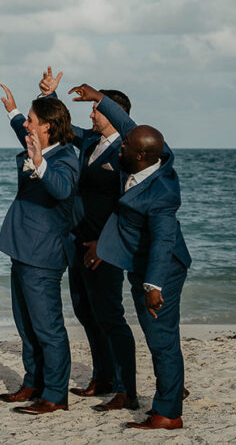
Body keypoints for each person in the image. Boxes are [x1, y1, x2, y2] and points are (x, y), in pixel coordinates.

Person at [70, 84, 192, 430]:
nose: (119, 146)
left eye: (124, 146)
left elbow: (163, 242)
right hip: (141, 264)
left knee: (162, 341)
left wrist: (154, 285)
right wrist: (99, 99)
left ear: (139, 155)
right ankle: (171, 394)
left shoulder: (162, 194)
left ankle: (168, 413)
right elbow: (128, 126)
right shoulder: (152, 155)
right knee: (162, 340)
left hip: (162, 270)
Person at [38, 68, 138, 411]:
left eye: (96, 110)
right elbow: (65, 130)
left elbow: (124, 206)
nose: (91, 114)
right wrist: (50, 96)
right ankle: (104, 376)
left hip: (106, 246)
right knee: (86, 311)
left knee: (111, 315)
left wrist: (105, 245)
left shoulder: (127, 151)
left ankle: (126, 389)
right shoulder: (91, 143)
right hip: (78, 242)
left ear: (113, 113)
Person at [0, 84, 79, 415]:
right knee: (27, 325)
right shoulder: (37, 143)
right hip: (21, 249)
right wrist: (14, 111)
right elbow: (25, 131)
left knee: (48, 328)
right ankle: (34, 382)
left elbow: (60, 189)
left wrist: (39, 163)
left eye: (32, 120)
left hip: (43, 255)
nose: (27, 126)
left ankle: (56, 395)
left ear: (47, 125)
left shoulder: (65, 158)